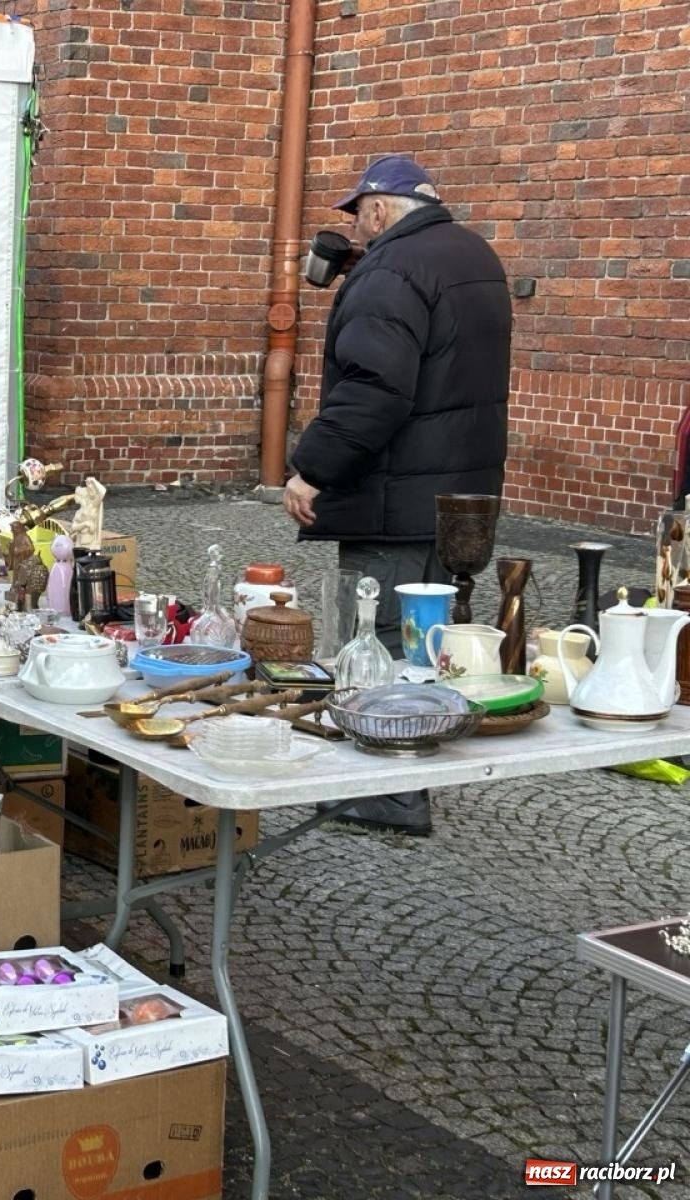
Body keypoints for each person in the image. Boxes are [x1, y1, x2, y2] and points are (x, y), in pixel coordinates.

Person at [283, 155, 512, 834]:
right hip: (458, 494)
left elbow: (375, 388)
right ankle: (410, 773)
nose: (356, 230)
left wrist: (312, 469)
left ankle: (390, 791)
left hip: (396, 496)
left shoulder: (392, 272)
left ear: (378, 209)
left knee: (380, 637)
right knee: (425, 643)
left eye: (358, 216)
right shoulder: (472, 255)